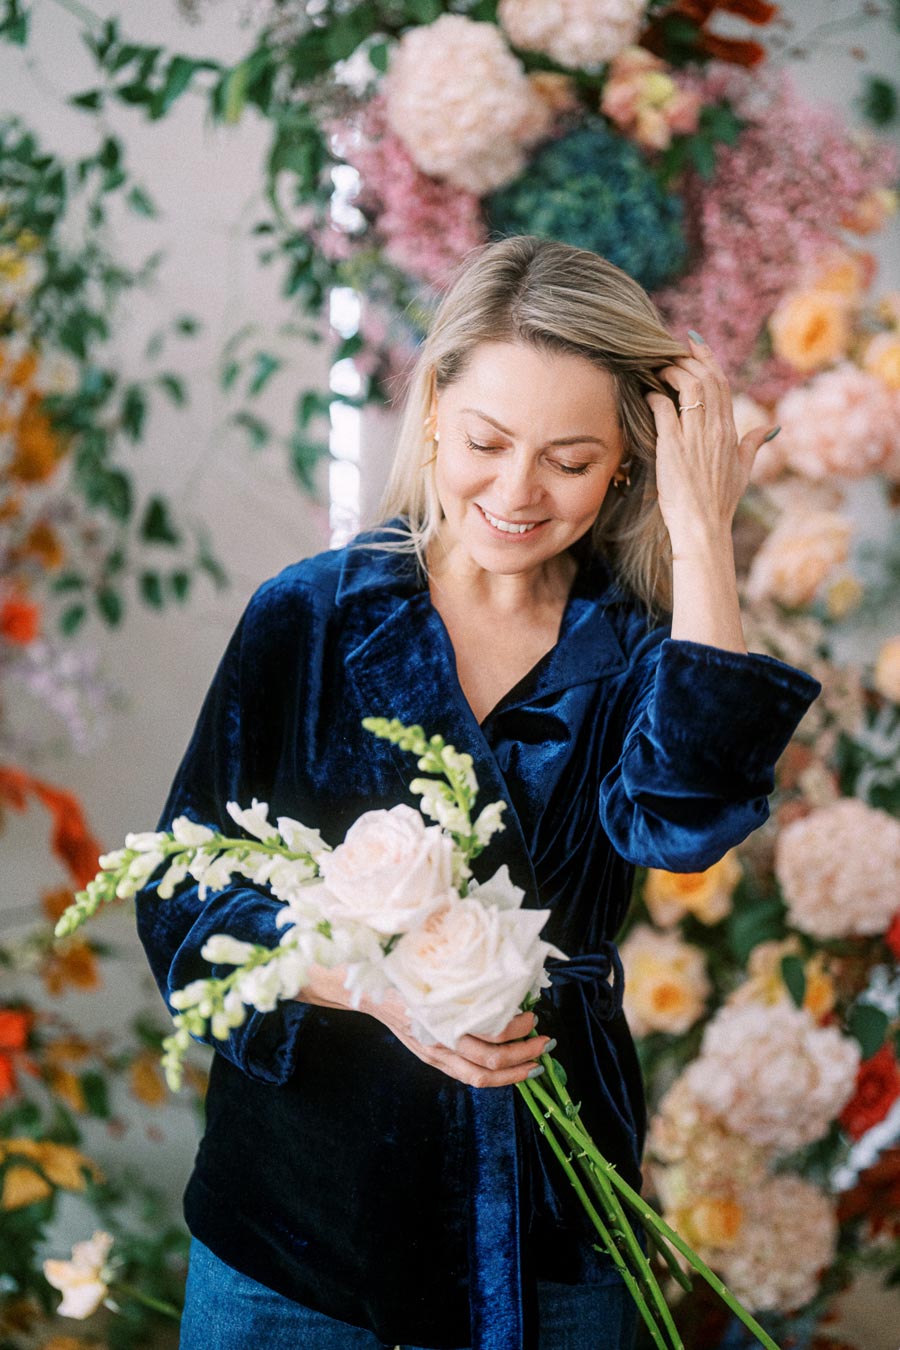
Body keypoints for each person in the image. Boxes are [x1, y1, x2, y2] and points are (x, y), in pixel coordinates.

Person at [135, 235, 821, 1350]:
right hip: (298, 1235)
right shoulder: (311, 616)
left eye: (571, 459)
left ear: (627, 468)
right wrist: (377, 986)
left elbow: (685, 824)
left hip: (555, 1221)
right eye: (488, 442)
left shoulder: (643, 649)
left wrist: (703, 526)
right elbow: (180, 899)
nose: (517, 490)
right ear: (437, 411)